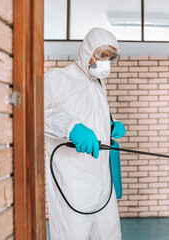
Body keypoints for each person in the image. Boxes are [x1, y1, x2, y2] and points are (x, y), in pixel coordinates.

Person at [44, 27, 125, 240]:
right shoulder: (57, 79)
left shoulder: (98, 84)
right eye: (102, 55)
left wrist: (112, 124)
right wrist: (71, 128)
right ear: (87, 50)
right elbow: (35, 114)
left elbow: (92, 115)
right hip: (72, 184)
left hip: (103, 183)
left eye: (110, 57)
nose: (106, 61)